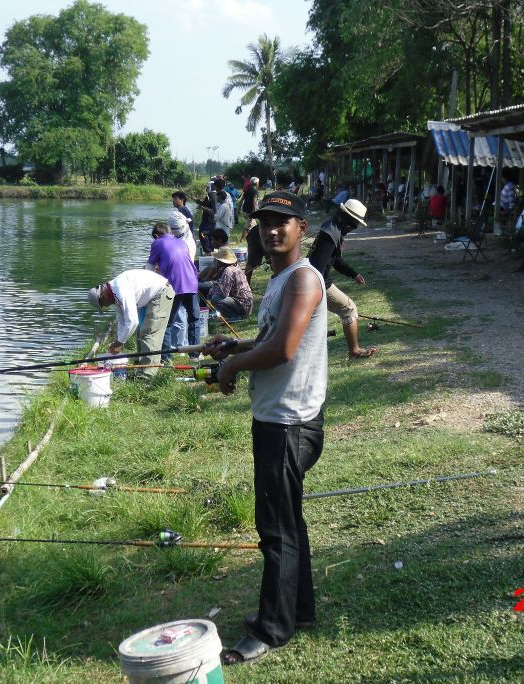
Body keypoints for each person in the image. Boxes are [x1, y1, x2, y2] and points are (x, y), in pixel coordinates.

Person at [205, 191, 326, 665]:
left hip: (288, 423)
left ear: (302, 228)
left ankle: (271, 630)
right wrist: (235, 348)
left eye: (283, 222)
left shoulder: (302, 280)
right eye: (265, 223)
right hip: (278, 418)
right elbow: (270, 340)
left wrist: (232, 371)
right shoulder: (280, 281)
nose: (272, 230)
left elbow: (283, 351)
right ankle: (302, 609)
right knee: (289, 521)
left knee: (275, 529)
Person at [307, 198, 376, 359]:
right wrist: (314, 295)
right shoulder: (331, 234)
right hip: (317, 283)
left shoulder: (332, 228)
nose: (353, 227)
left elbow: (335, 260)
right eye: (353, 224)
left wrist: (353, 274)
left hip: (315, 281)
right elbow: (317, 266)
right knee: (349, 308)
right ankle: (354, 351)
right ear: (344, 218)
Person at [87, 270, 174, 380]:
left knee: (149, 333)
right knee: (140, 332)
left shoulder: (120, 290)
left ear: (103, 297)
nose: (106, 306)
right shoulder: (114, 294)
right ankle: (140, 367)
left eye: (103, 305)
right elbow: (122, 320)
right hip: (151, 297)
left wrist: (120, 342)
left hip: (162, 292)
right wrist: (119, 340)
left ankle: (147, 377)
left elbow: (133, 321)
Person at [148, 222, 201, 357]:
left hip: (175, 286)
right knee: (194, 320)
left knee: (166, 322)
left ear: (156, 235)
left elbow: (149, 268)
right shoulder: (181, 242)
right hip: (192, 283)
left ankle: (166, 357)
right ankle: (195, 355)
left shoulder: (157, 243)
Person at [198, 247, 253, 319]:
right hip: (246, 304)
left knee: (216, 299)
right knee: (210, 289)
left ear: (221, 261)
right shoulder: (235, 266)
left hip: (242, 306)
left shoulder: (228, 270)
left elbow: (223, 293)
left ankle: (234, 317)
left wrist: (210, 291)